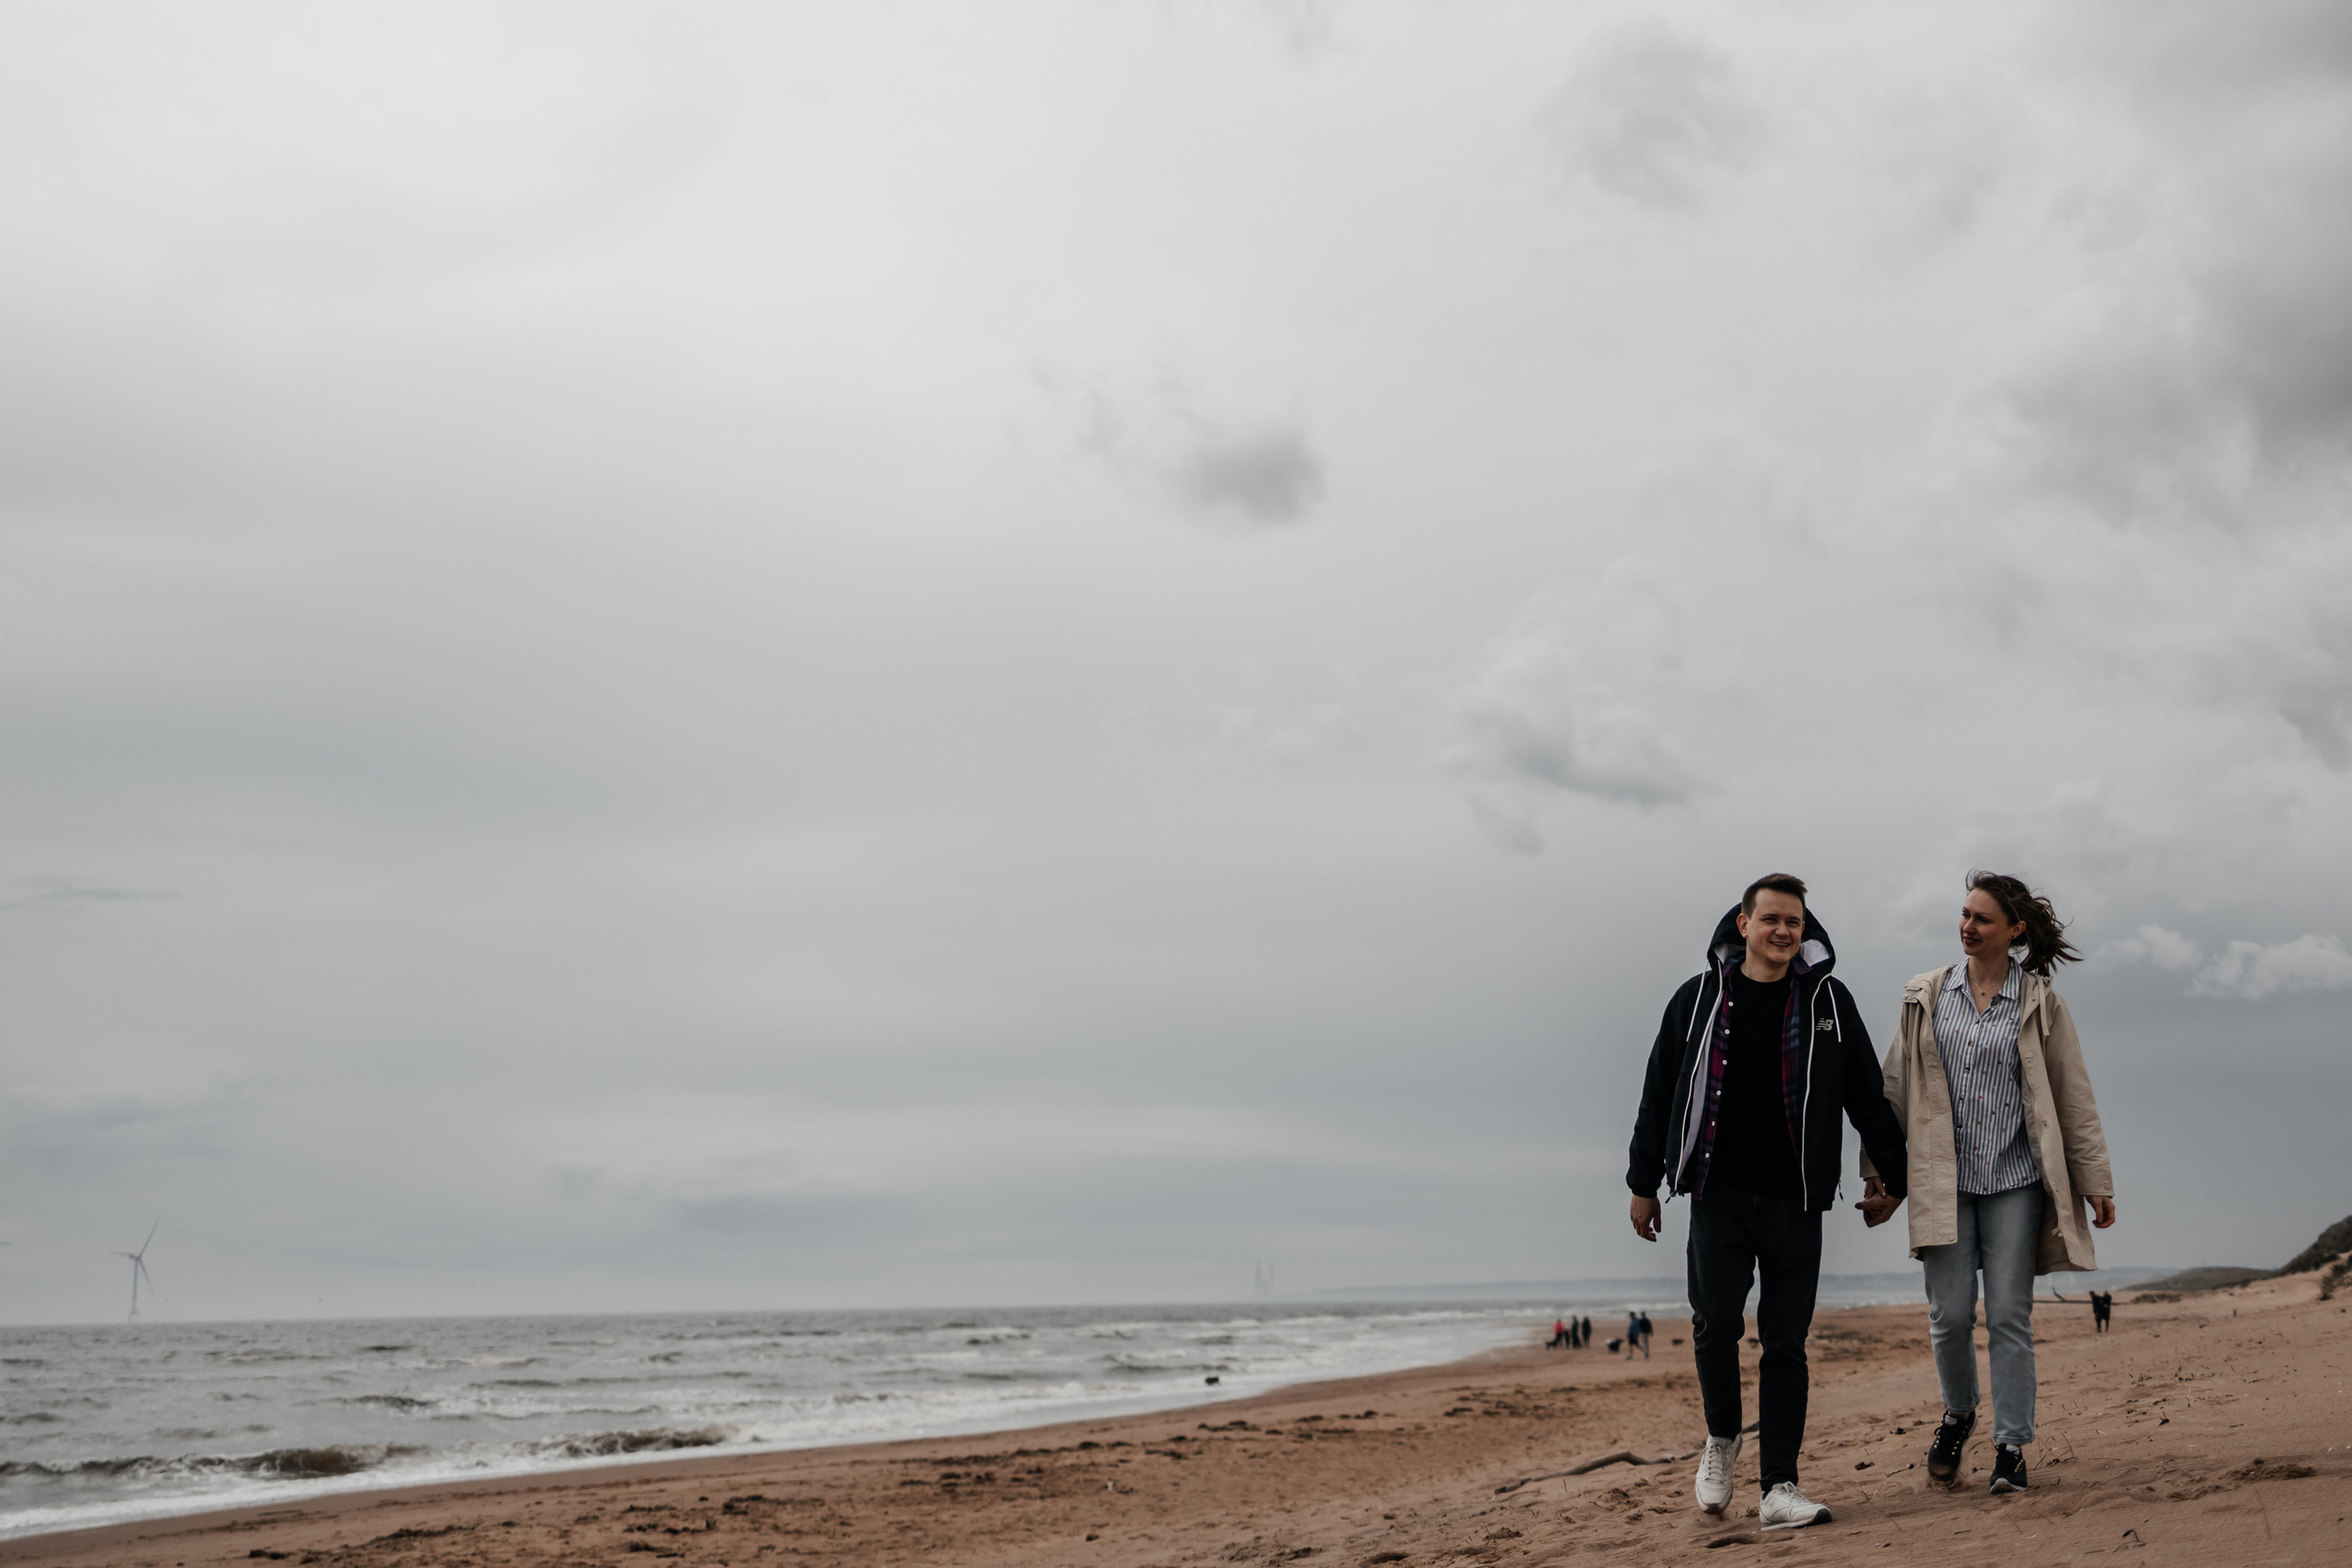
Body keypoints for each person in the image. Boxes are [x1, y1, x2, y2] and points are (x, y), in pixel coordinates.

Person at [1627, 873, 1909, 1529]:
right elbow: (1659, 1092)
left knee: (1785, 1342)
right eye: (1772, 919)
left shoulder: (1827, 1002)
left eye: (1795, 922)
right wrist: (1644, 1182)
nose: (1784, 931)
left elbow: (1866, 1094)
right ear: (1744, 925)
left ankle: (1780, 1484)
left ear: (1803, 930)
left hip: (1796, 1200)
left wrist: (1891, 1177)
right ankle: (1722, 1438)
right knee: (1714, 1325)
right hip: (1715, 1194)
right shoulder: (1698, 999)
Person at [1861, 872, 2116, 1499]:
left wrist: (2094, 1179)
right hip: (1941, 1181)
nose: (1968, 926)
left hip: (2015, 1181)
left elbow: (2072, 1092)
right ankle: (1958, 1413)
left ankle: (2011, 1446)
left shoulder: (2039, 1001)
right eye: (1964, 914)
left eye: (1982, 918)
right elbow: (1892, 1087)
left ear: (2015, 930)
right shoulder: (1928, 994)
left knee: (2008, 1315)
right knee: (1949, 1316)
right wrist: (1877, 1174)